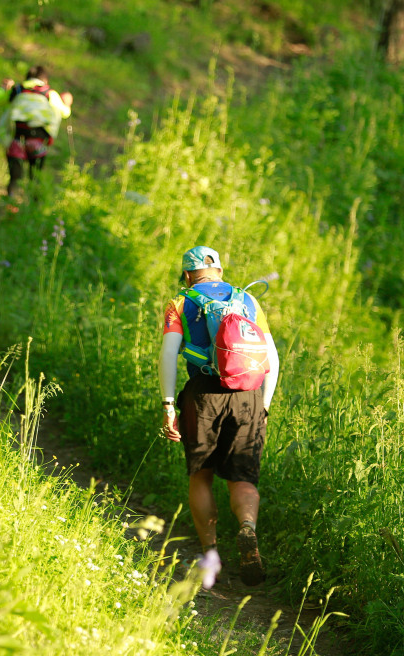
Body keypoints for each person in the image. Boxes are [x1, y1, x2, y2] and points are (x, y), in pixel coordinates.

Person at [160, 245, 280, 589]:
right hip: (249, 396)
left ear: (187, 275)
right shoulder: (248, 301)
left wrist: (169, 403)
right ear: (221, 272)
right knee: (243, 478)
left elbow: (169, 354)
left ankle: (211, 555)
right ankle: (247, 528)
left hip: (202, 395)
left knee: (201, 476)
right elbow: (271, 357)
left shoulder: (180, 303)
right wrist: (264, 406)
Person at [0, 65, 73, 197]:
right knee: (35, 178)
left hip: (16, 139)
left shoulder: (17, 89)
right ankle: (33, 207)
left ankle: (11, 202)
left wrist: (3, 88)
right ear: (45, 80)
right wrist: (67, 103)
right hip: (38, 141)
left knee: (14, 179)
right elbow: (64, 113)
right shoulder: (49, 93)